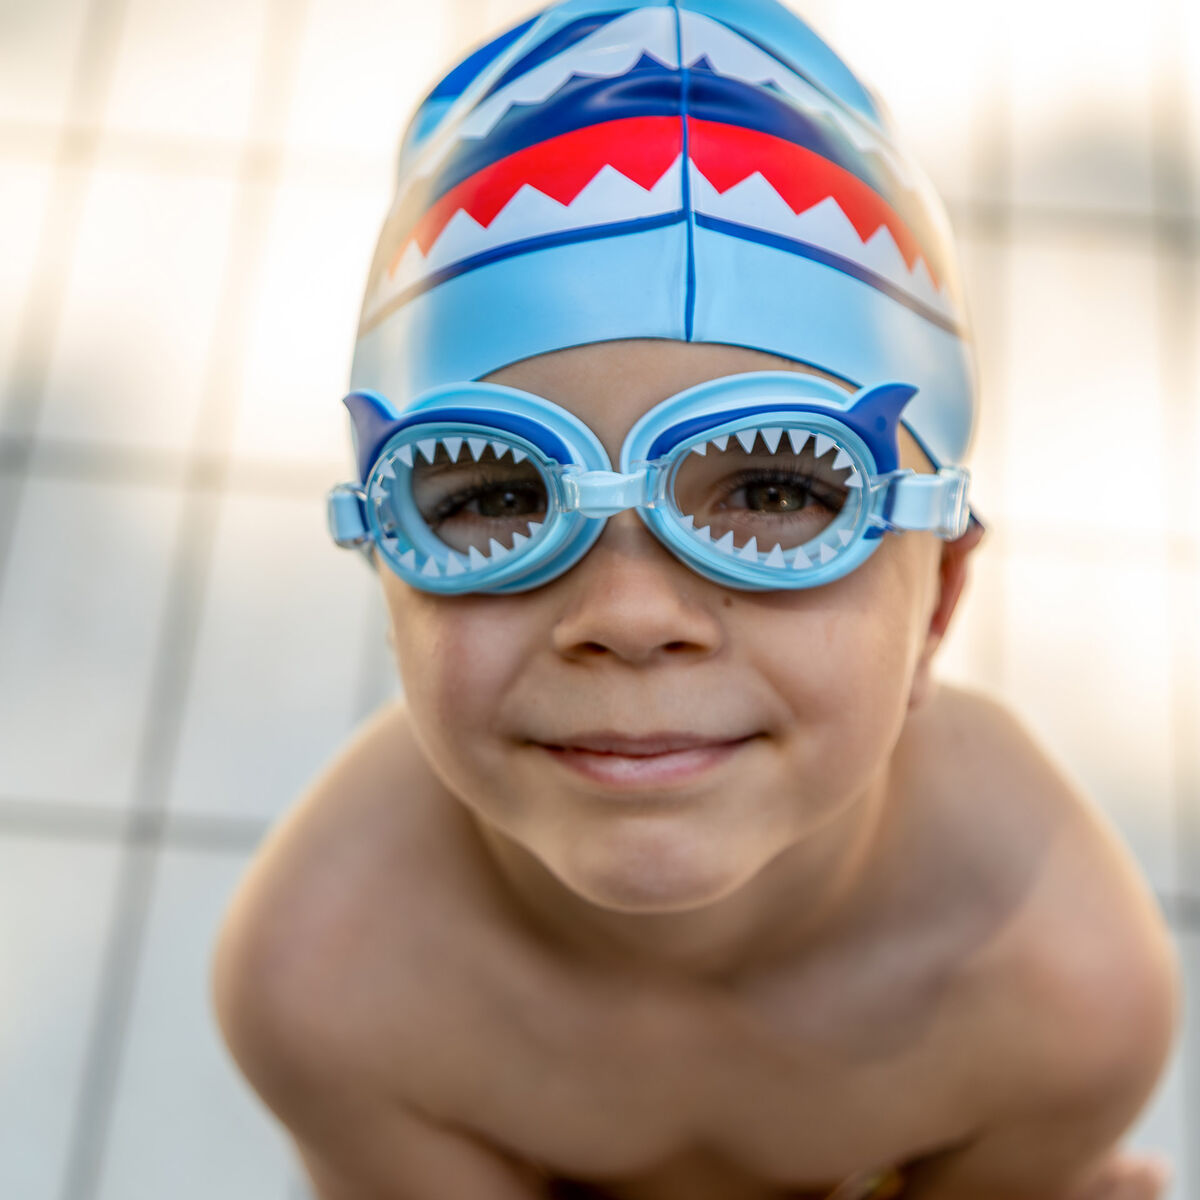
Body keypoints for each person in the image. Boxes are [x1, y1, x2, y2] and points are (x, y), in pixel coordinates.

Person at [210, 3, 1182, 1197]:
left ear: (938, 603)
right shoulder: (328, 989)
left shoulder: (1059, 996)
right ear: (387, 566)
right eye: (497, 494)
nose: (625, 611)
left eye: (776, 489)